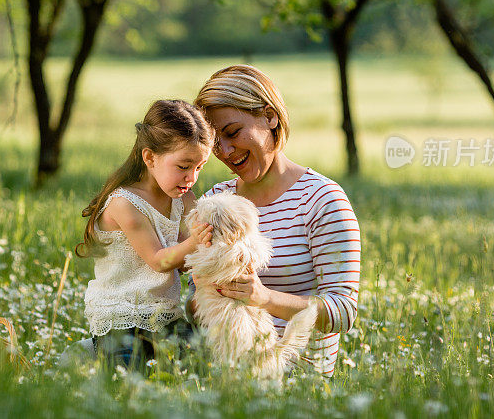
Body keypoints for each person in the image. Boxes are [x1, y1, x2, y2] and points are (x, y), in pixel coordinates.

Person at [190, 65, 361, 377]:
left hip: (298, 380)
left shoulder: (322, 199)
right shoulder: (216, 201)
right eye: (214, 142)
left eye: (232, 133)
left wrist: (263, 298)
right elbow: (193, 304)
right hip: (225, 375)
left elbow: (343, 312)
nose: (225, 152)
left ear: (270, 116)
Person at [78, 99, 214, 370]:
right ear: (150, 157)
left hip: (165, 316)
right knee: (131, 380)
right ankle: (89, 351)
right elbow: (159, 260)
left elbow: (188, 258)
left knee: (204, 364)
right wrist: (197, 240)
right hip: (121, 319)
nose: (192, 178)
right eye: (184, 166)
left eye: (199, 167)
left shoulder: (183, 198)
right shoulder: (125, 204)